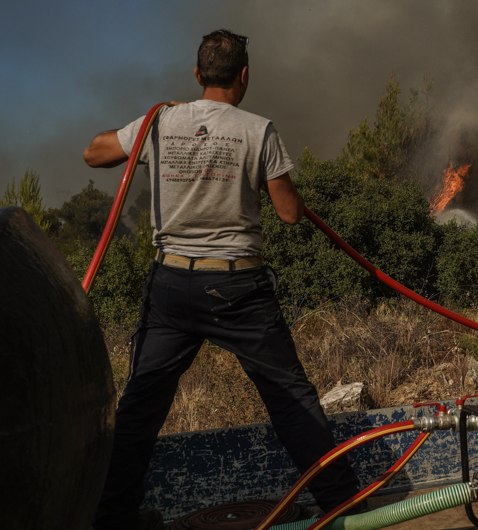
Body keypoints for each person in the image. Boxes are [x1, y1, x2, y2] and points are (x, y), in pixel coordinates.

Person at [83, 30, 360, 529]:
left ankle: (110, 517)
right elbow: (290, 213)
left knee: (141, 407)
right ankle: (344, 504)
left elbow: (94, 154)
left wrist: (146, 129)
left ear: (197, 74)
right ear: (245, 75)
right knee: (290, 399)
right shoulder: (258, 129)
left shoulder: (160, 121)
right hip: (237, 290)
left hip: (169, 286)